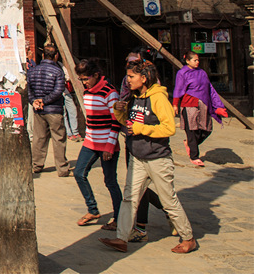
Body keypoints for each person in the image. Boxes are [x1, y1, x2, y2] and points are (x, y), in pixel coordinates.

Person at [99, 60, 197, 255]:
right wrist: (119, 110)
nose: (127, 80)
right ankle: (121, 238)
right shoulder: (135, 97)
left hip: (158, 158)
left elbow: (169, 128)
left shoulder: (158, 98)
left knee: (169, 200)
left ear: (144, 78)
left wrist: (141, 129)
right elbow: (128, 122)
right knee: (130, 199)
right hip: (138, 157)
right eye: (127, 76)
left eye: (131, 77)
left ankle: (188, 237)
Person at [73, 58, 122, 226]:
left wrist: (110, 146)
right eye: (82, 79)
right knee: (79, 173)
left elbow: (116, 122)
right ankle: (92, 210)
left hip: (108, 144)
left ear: (96, 75)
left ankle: (119, 217)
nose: (84, 82)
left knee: (110, 181)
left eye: (86, 79)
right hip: (90, 142)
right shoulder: (87, 93)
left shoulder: (110, 92)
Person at [172, 50, 227, 166]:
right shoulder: (183, 73)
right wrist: (175, 104)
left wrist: (217, 105)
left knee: (207, 129)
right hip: (189, 104)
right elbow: (178, 89)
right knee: (192, 130)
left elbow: (209, 88)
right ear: (187, 61)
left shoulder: (202, 72)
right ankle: (194, 156)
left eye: (198, 60)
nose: (197, 62)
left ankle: (190, 144)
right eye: (195, 60)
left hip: (203, 103)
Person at [27, 43, 70, 176]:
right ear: (56, 56)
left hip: (38, 109)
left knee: (39, 138)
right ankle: (62, 168)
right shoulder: (58, 71)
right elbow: (58, 91)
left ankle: (36, 165)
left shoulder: (33, 70)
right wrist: (44, 101)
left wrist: (35, 101)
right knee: (58, 138)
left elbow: (28, 89)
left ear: (43, 55)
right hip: (54, 109)